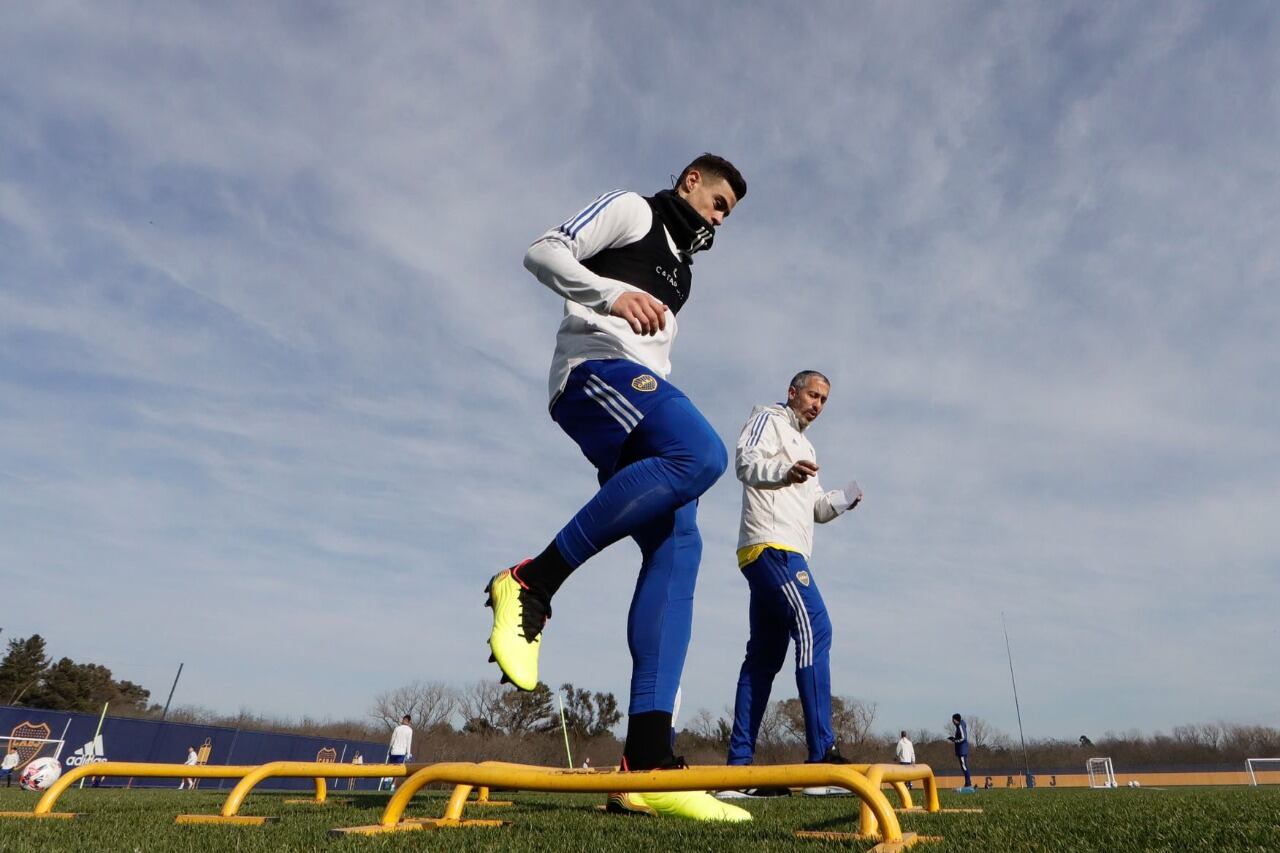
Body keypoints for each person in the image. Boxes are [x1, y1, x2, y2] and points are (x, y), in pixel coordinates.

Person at [485, 153, 749, 822]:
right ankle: (532, 580)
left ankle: (646, 763)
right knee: (703, 452)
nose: (720, 219)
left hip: (638, 390)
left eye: (729, 214)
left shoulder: (682, 271)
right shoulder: (635, 209)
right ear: (691, 180)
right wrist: (610, 295)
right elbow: (542, 251)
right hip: (594, 372)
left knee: (679, 546)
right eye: (718, 202)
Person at [715, 371, 862, 800]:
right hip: (772, 548)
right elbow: (744, 462)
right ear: (792, 392)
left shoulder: (809, 447)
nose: (818, 404)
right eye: (813, 395)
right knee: (816, 629)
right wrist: (784, 471)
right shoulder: (767, 418)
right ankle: (821, 760)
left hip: (785, 549)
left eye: (824, 400)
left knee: (763, 658)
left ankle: (737, 775)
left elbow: (814, 507)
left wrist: (841, 501)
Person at [384, 715, 413, 792]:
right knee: (397, 770)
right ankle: (393, 785)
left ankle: (388, 780)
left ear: (403, 720)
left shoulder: (397, 728)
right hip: (401, 753)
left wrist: (389, 749)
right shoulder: (409, 730)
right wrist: (408, 754)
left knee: (391, 767)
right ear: (409, 721)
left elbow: (392, 740)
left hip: (393, 751)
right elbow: (408, 743)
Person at [947, 713, 974, 790]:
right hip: (962, 749)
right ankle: (967, 782)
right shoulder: (960, 725)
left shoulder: (960, 726)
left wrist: (955, 740)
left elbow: (963, 738)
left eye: (953, 720)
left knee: (964, 766)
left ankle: (968, 783)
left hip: (962, 750)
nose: (952, 722)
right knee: (964, 766)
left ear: (956, 720)